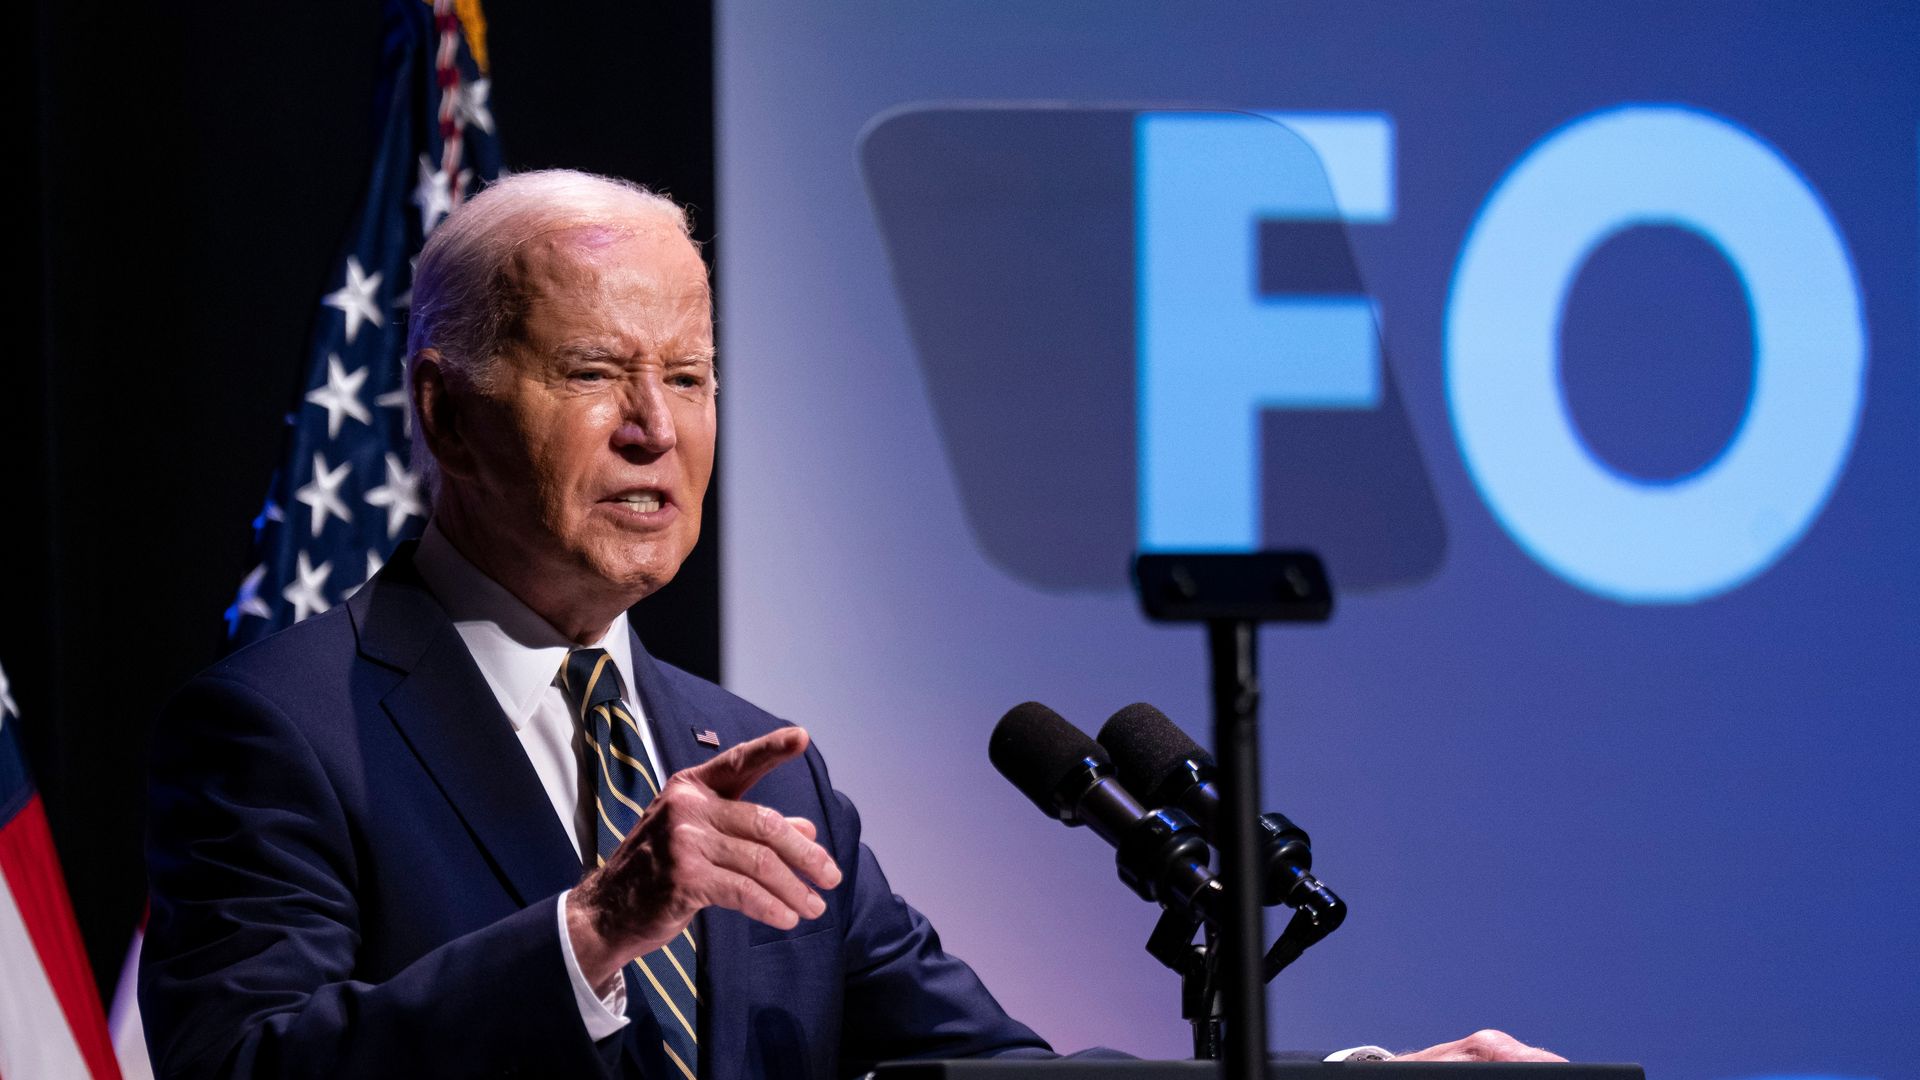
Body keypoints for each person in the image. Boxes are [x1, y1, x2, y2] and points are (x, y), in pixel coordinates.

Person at [142, 169, 1563, 1077]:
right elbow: (239, 1072)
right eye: (596, 370)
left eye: (690, 377)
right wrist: (589, 932)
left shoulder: (755, 755)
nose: (654, 429)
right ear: (444, 409)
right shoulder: (282, 725)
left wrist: (1359, 1079)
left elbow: (986, 1072)